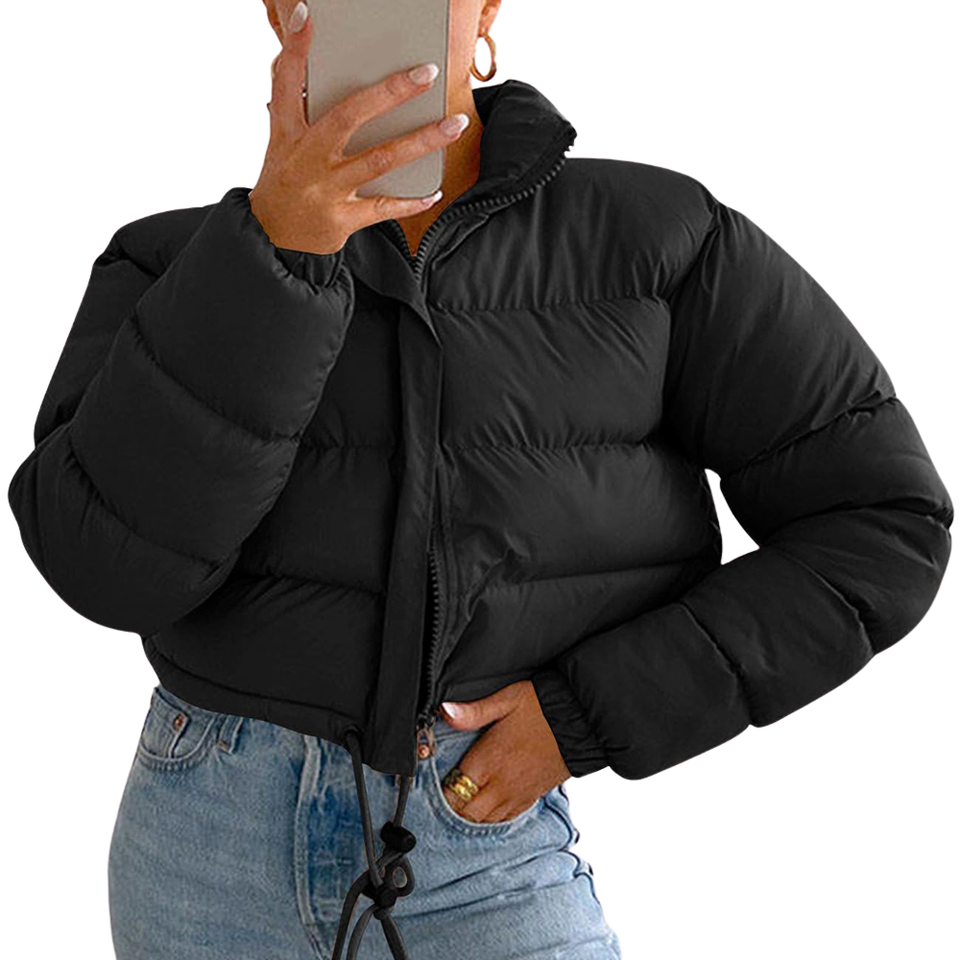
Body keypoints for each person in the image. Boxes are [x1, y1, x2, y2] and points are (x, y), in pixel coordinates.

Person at [5, 0, 954, 958]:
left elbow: (886, 524)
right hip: (202, 837)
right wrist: (275, 253)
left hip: (482, 837)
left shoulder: (660, 240)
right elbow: (104, 573)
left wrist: (584, 718)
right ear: (278, 13)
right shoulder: (166, 262)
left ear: (488, 5)